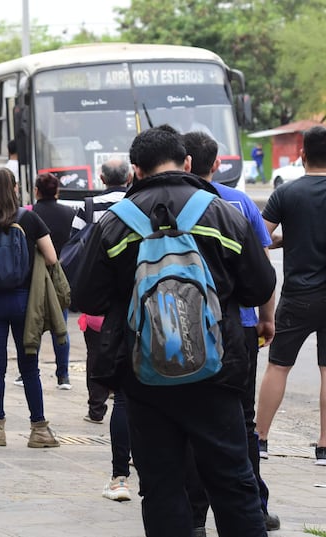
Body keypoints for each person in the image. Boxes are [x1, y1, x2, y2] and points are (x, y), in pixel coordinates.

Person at [74, 125, 275, 537]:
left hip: (144, 376)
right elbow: (260, 285)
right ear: (187, 163)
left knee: (162, 486)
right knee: (233, 483)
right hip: (217, 372)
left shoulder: (115, 224)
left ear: (136, 170)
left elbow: (87, 296)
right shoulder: (222, 213)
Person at [183, 130, 280, 532]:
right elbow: (263, 270)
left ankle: (194, 517)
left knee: (188, 420)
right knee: (242, 420)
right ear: (216, 163)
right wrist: (267, 318)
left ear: (185, 161)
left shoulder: (170, 202)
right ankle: (254, 507)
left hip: (184, 330)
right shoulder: (238, 202)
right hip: (237, 328)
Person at [256, 125, 326, 466]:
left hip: (297, 296)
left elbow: (262, 239)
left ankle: (260, 439)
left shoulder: (286, 194)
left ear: (302, 154)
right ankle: (325, 448)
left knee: (278, 366)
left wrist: (285, 241)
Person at [0, 166, 61, 449]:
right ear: (15, 188)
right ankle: (39, 430)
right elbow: (51, 258)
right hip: (24, 301)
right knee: (29, 367)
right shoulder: (29, 218)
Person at [72, 159, 132, 425]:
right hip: (129, 293)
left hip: (97, 294)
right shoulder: (137, 203)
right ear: (129, 177)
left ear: (102, 178)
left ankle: (96, 408)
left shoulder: (88, 207)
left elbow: (72, 248)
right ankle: (122, 401)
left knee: (95, 353)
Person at [31, 172, 76, 389]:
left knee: (33, 324)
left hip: (35, 275)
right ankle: (63, 375)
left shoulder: (30, 213)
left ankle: (29, 371)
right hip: (61, 274)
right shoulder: (70, 213)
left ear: (36, 191)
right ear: (57, 191)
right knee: (62, 325)